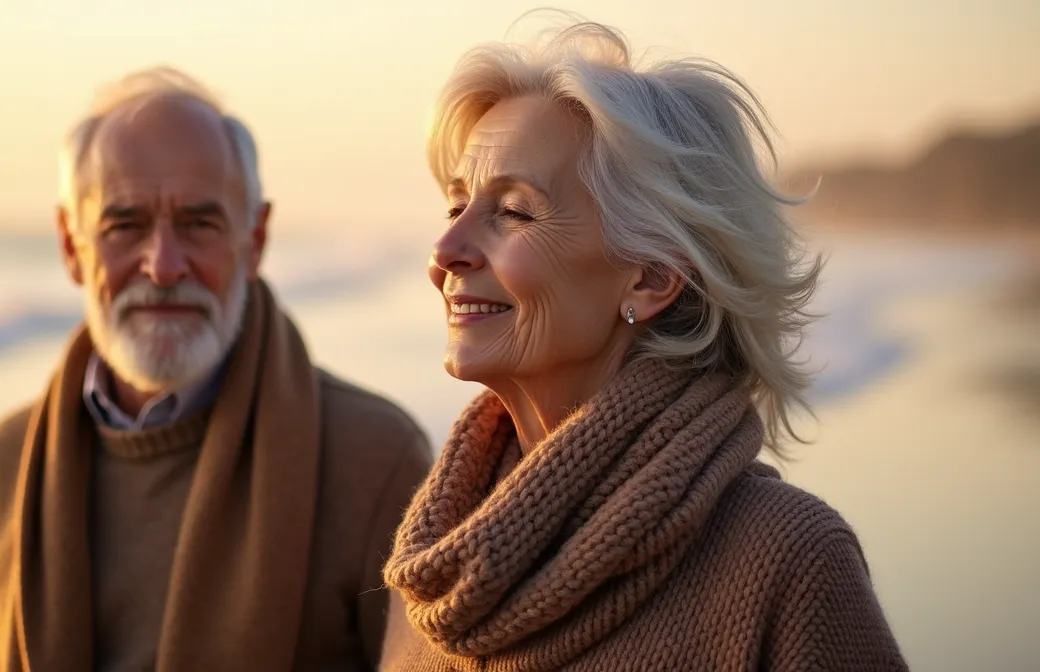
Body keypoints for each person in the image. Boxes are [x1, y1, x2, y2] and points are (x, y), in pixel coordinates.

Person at [380, 17, 908, 671]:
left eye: (512, 211)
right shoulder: (433, 569)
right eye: (455, 206)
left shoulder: (788, 562)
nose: (445, 250)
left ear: (654, 276)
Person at [0, 66, 433, 672]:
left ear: (255, 239)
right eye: (125, 226)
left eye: (200, 225)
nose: (164, 265)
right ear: (72, 245)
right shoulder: (4, 466)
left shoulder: (377, 458)